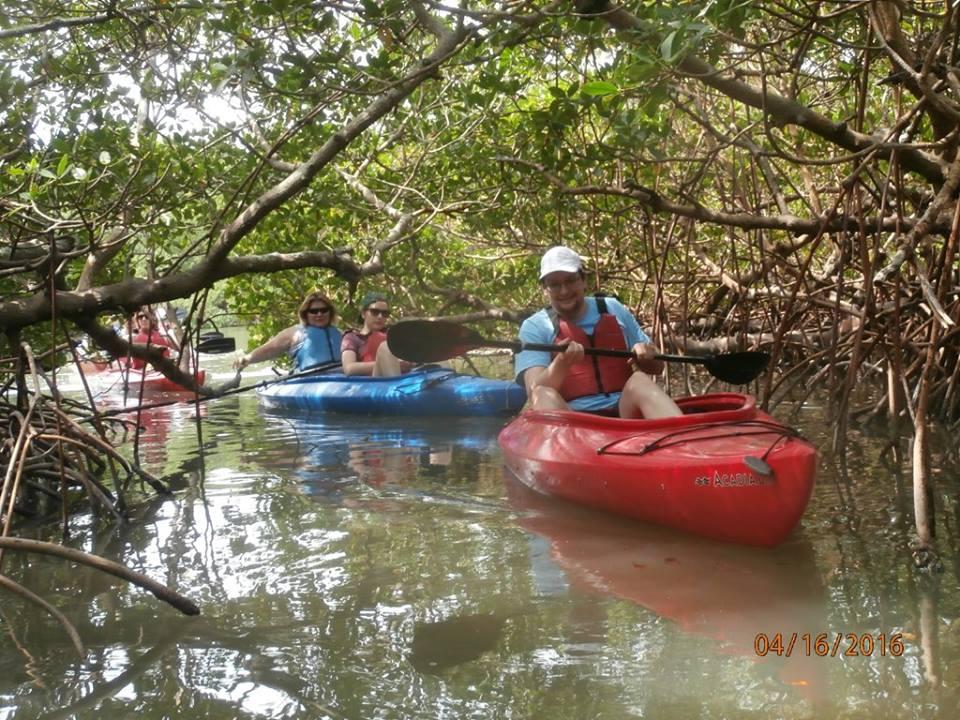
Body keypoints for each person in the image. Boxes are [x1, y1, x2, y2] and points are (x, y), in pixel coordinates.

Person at [515, 246, 682, 419]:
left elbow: (658, 367)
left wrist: (648, 355)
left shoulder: (613, 308)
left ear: (583, 279)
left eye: (571, 280)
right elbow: (534, 392)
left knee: (640, 380)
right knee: (543, 394)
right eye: (555, 285)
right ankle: (570, 444)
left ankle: (682, 439)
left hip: (624, 411)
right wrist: (562, 363)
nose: (564, 291)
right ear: (545, 288)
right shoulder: (535, 326)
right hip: (575, 420)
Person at [234, 291, 342, 371]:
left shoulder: (341, 334)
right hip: (309, 382)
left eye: (324, 310)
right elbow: (269, 349)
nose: (319, 314)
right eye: (314, 311)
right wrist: (247, 358)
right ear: (305, 314)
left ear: (330, 312)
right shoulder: (295, 333)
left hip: (341, 381)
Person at [340, 291, 411, 377]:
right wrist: (388, 363)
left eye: (385, 314)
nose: (380, 317)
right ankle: (395, 387)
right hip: (371, 383)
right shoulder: (351, 338)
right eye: (374, 312)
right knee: (385, 346)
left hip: (399, 377)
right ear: (363, 314)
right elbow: (349, 368)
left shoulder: (393, 335)